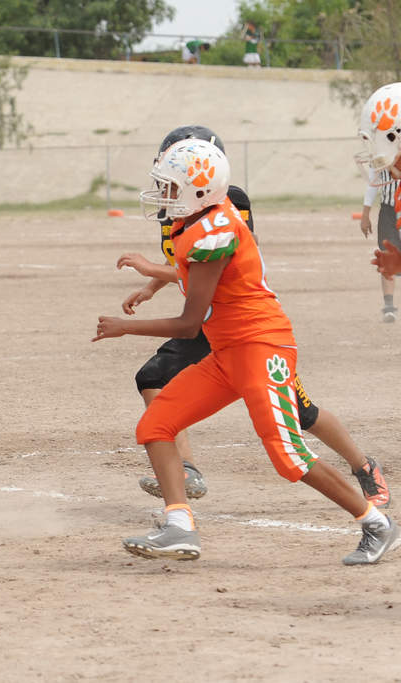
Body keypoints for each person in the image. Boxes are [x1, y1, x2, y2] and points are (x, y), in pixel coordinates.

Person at [93, 138, 400, 565]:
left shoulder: (215, 230)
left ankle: (377, 524)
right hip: (229, 351)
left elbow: (189, 323)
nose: (162, 193)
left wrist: (126, 327)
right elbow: (192, 278)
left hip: (261, 347)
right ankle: (179, 524)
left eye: (170, 185)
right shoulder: (197, 221)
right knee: (155, 425)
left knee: (288, 456)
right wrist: (151, 278)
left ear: (198, 188)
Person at [356, 84, 401, 322]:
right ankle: (389, 306)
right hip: (388, 209)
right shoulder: (383, 150)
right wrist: (365, 213)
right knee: (387, 257)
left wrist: (392, 165)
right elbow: (374, 182)